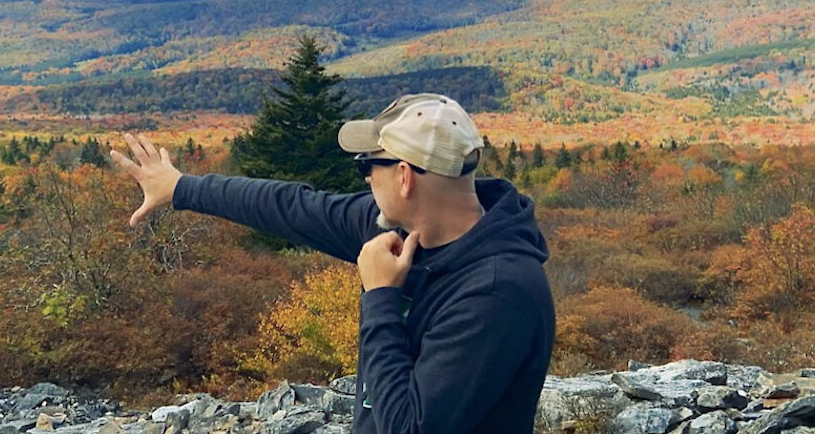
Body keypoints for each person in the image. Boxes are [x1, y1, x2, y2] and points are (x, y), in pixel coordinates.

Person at [112, 93, 555, 434]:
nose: (363, 177)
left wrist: (381, 298)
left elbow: (407, 426)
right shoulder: (393, 228)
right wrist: (181, 188)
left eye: (368, 164)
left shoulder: (497, 292)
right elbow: (293, 206)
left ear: (404, 177)